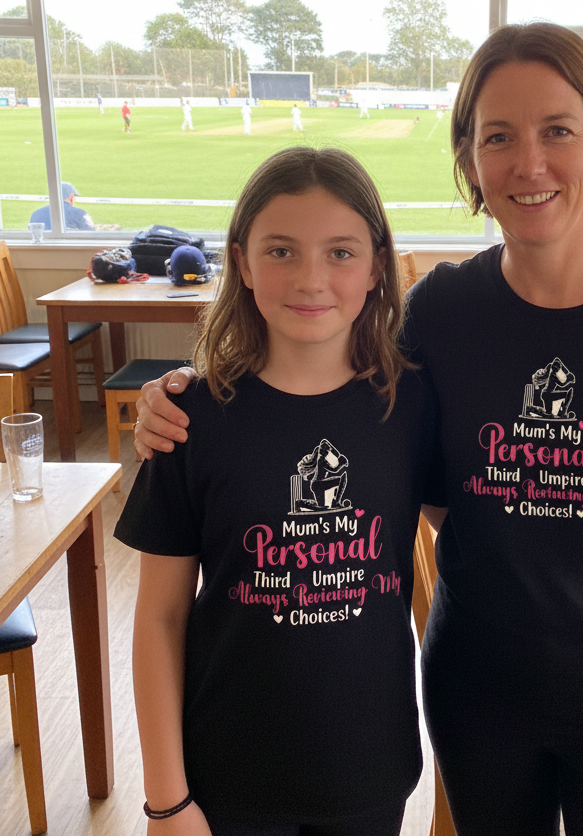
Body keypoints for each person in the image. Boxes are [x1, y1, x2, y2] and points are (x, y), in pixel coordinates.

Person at [135, 23, 583, 836]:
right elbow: (358, 431)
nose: (528, 163)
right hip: (478, 695)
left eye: (558, 131)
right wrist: (176, 393)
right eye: (497, 136)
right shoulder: (440, 309)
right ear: (469, 160)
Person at [116, 146, 437, 836]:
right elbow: (160, 619)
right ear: (241, 260)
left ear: (378, 264)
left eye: (342, 252)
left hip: (369, 768)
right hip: (226, 775)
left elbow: (475, 530)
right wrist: (165, 799)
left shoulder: (413, 405)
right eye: (282, 250)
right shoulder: (187, 420)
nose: (312, 278)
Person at [29, 181, 95, 231]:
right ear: (71, 197)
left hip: (44, 248)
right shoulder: (80, 213)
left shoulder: (36, 213)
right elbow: (91, 234)